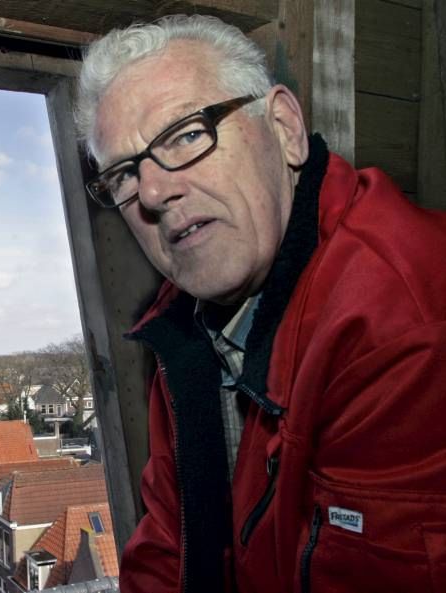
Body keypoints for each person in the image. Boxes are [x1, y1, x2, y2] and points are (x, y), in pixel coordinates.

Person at [75, 14, 446, 593]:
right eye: (124, 173)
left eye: (187, 134)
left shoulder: (401, 319)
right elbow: (170, 548)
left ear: (284, 129)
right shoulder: (182, 329)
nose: (151, 192)